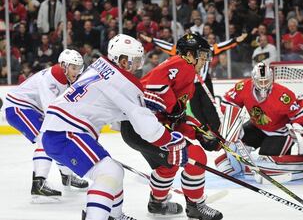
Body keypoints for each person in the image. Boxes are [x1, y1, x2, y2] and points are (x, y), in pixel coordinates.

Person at [40, 34, 187, 220]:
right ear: (123, 61)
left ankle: (114, 216)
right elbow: (146, 128)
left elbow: (112, 112)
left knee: (115, 171)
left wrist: (142, 105)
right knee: (109, 171)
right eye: (135, 61)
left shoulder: (99, 67)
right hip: (66, 132)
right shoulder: (123, 82)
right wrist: (169, 140)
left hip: (61, 130)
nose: (137, 66)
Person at [121, 33, 223, 220]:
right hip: (144, 127)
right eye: (202, 54)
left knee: (168, 165)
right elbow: (154, 89)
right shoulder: (182, 64)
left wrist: (201, 132)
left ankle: (157, 204)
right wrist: (172, 107)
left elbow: (177, 118)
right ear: (189, 54)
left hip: (138, 129)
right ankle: (195, 206)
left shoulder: (186, 76)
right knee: (196, 157)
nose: (205, 59)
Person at [215, 62, 303, 183]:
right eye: (260, 81)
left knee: (266, 162)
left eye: (266, 81)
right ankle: (238, 165)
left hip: (279, 133)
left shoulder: (282, 95)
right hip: (256, 127)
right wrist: (234, 123)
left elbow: (300, 112)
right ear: (253, 79)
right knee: (234, 143)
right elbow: (229, 101)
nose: (263, 84)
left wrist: (298, 129)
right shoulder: (243, 87)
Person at [2, 49, 89, 202]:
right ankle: (38, 183)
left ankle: (66, 176)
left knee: (58, 139)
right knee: (46, 139)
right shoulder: (51, 78)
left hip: (31, 110)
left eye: (78, 67)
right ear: (63, 65)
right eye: (74, 67)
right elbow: (52, 111)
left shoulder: (66, 79)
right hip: (18, 108)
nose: (77, 71)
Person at [139, 32, 248, 132]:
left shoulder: (206, 50)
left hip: (204, 83)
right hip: (191, 85)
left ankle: (217, 131)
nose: (204, 60)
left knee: (209, 109)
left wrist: (236, 40)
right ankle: (207, 131)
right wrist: (152, 40)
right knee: (196, 111)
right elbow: (166, 46)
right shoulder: (182, 57)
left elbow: (222, 46)